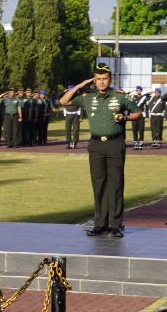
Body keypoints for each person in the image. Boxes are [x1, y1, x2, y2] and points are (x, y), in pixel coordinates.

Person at [60, 65, 143, 238]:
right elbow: (64, 101)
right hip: (96, 146)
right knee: (98, 184)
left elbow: (138, 112)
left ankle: (116, 224)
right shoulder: (87, 97)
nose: (101, 82)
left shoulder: (120, 98)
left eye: (104, 78)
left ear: (110, 79)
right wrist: (79, 85)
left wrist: (125, 117)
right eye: (98, 79)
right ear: (94, 80)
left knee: (115, 183)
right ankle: (100, 223)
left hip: (115, 144)